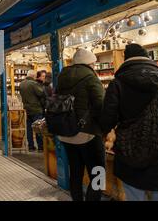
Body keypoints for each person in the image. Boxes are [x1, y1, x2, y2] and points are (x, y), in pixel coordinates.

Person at [100, 44, 158, 201]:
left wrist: (110, 132)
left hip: (129, 149)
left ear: (126, 60)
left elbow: (108, 118)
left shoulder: (117, 84)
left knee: (134, 195)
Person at [56, 49, 105, 201]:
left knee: (76, 173)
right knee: (98, 173)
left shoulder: (62, 77)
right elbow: (100, 104)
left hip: (66, 132)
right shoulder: (91, 77)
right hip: (88, 133)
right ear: (90, 63)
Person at [19, 69, 45, 151]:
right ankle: (40, 147)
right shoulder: (33, 84)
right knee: (38, 128)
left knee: (29, 129)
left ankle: (31, 146)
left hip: (27, 109)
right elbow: (41, 93)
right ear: (34, 76)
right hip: (36, 109)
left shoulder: (21, 84)